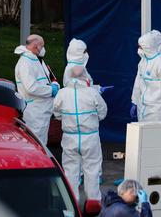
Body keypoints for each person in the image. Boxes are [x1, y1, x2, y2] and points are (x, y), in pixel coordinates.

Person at [53, 65, 107, 201]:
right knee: (92, 171)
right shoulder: (92, 93)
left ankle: (72, 206)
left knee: (70, 172)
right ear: (85, 76)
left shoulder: (62, 93)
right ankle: (93, 204)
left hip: (69, 138)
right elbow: (103, 113)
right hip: (90, 137)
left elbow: (57, 114)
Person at [14, 34, 59, 145]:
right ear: (36, 46)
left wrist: (53, 84)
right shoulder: (25, 63)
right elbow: (31, 88)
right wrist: (51, 90)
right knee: (35, 143)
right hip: (34, 112)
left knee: (41, 142)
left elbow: (46, 78)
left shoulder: (36, 60)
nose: (43, 49)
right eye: (42, 46)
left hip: (42, 111)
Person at [130, 30, 161, 122]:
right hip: (143, 110)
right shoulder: (143, 62)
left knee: (157, 135)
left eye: (141, 47)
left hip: (159, 111)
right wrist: (134, 101)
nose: (139, 49)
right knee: (143, 136)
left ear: (148, 46)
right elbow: (138, 83)